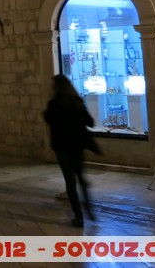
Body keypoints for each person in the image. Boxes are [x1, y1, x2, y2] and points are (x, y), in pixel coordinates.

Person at [44, 74, 97, 228]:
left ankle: (79, 217)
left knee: (70, 181)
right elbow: (91, 122)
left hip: (62, 147)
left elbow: (49, 120)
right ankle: (88, 207)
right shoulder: (77, 103)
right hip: (76, 146)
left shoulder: (53, 105)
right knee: (81, 177)